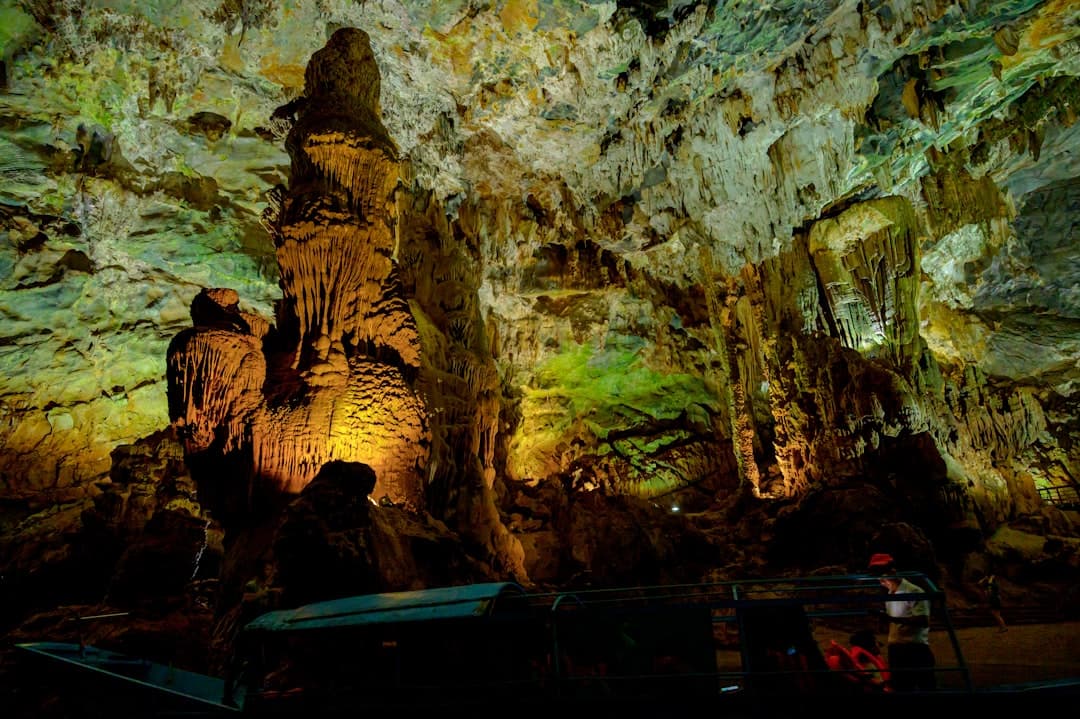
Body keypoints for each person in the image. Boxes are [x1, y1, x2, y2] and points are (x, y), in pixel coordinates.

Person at [867, 553, 935, 691]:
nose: (881, 582)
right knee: (901, 687)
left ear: (892, 572)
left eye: (883, 578)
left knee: (925, 687)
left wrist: (891, 619)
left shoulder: (914, 591)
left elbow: (923, 620)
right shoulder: (890, 594)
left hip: (914, 649)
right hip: (897, 649)